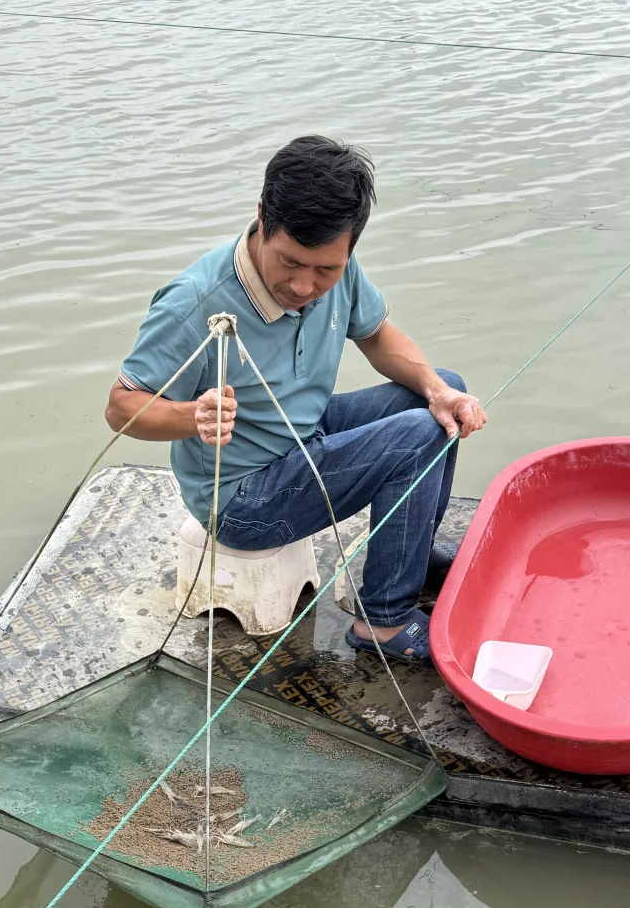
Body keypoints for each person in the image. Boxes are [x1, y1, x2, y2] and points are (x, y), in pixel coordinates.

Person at [106, 135, 486, 665]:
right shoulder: (194, 301)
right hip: (243, 499)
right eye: (290, 263)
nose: (305, 286)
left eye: (325, 271)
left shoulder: (339, 268)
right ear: (262, 216)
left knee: (441, 391)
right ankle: (383, 621)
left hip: (304, 436)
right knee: (419, 435)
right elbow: (122, 409)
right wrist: (191, 416)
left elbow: (376, 336)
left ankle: (411, 561)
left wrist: (441, 392)